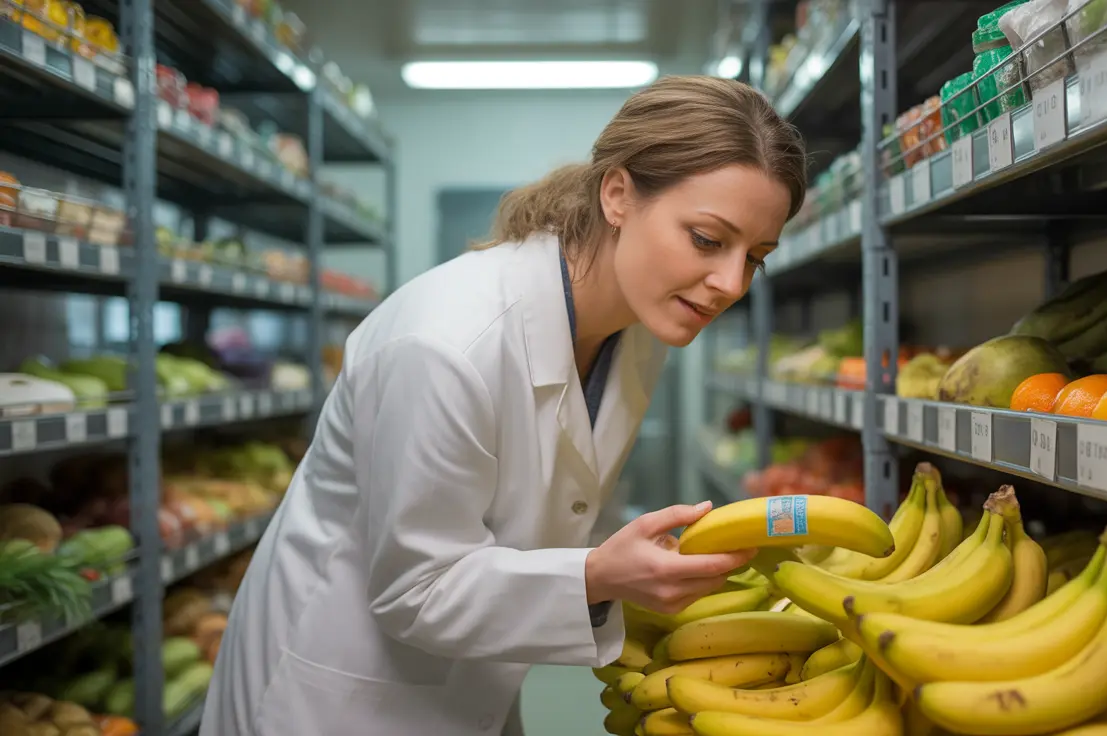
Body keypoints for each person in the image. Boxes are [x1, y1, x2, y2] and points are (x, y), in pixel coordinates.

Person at [199, 74, 807, 736]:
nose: (731, 284)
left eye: (756, 257)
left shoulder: (635, 331)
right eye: (708, 239)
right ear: (617, 195)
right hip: (333, 698)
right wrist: (597, 575)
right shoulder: (445, 345)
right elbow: (415, 589)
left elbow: (549, 510)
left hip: (475, 681)